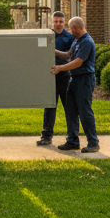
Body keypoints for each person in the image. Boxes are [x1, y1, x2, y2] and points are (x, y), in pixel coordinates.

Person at [51, 16, 99, 153]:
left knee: (84, 111)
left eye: (72, 29)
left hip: (85, 80)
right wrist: (51, 50)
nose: (70, 31)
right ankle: (72, 141)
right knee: (71, 111)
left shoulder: (87, 42)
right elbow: (67, 55)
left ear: (77, 28)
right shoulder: (77, 40)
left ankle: (93, 142)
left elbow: (78, 62)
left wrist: (60, 68)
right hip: (74, 79)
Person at [37, 12, 74, 146]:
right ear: (52, 22)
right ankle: (46, 137)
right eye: (56, 21)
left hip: (64, 77)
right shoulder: (47, 36)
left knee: (69, 108)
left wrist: (51, 50)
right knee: (49, 107)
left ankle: (72, 138)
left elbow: (68, 57)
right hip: (50, 77)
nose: (58, 24)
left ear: (64, 23)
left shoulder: (70, 38)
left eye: (61, 21)